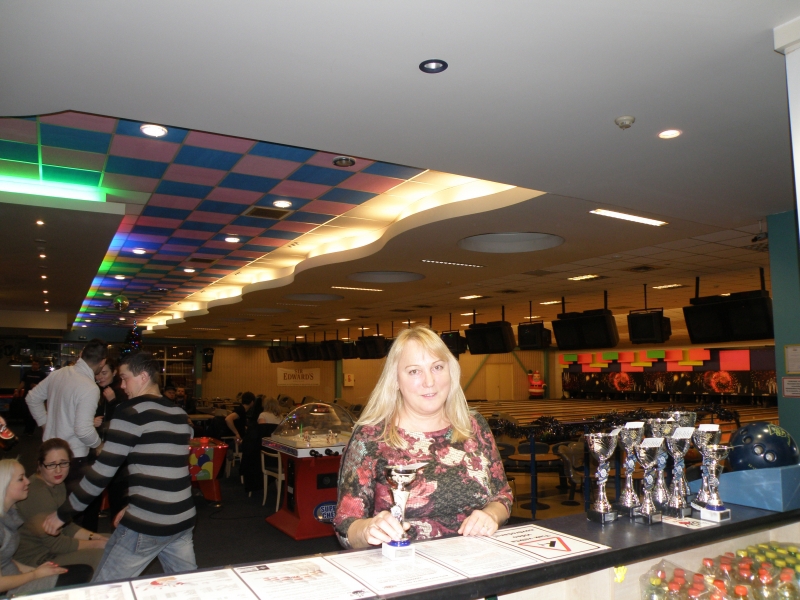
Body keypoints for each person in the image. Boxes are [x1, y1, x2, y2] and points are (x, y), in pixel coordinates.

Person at [332, 326, 512, 549]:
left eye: (437, 367)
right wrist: (368, 529)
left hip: (474, 557)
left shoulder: (473, 426)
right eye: (414, 371)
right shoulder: (371, 436)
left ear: (451, 371)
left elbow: (502, 495)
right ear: (395, 380)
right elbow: (345, 525)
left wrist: (491, 515)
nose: (429, 381)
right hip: (404, 563)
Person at [42, 351, 197, 582]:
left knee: (105, 590)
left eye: (124, 378)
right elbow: (166, 469)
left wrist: (62, 514)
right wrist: (134, 504)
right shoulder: (179, 414)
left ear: (143, 376)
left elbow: (102, 473)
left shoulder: (130, 411)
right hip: (182, 518)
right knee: (187, 587)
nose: (122, 386)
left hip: (147, 523)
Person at [0, 458, 93, 596]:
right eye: (20, 479)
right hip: (10, 590)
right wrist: (35, 575)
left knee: (83, 572)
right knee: (82, 575)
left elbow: (5, 559)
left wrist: (34, 571)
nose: (27, 481)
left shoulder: (10, 514)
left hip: (16, 579)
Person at [15, 439, 107, 571]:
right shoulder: (37, 493)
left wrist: (96, 537)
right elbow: (56, 544)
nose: (58, 470)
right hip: (37, 558)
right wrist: (96, 544)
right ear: (40, 465)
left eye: (63, 463)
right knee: (104, 555)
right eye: (51, 465)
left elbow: (66, 525)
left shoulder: (57, 484)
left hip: (51, 549)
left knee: (110, 540)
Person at [26, 339, 108, 474]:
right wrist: (99, 445)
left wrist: (45, 424)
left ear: (81, 355)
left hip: (49, 450)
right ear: (103, 362)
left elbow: (32, 398)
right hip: (72, 455)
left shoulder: (59, 373)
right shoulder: (90, 387)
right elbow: (83, 430)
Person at [16, 359, 48, 435]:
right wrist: (17, 390)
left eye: (36, 364)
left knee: (32, 414)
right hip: (27, 395)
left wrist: (36, 386)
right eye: (33, 364)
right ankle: (26, 428)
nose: (34, 366)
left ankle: (30, 430)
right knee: (25, 412)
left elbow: (45, 386)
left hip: (36, 397)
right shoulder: (27, 373)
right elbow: (23, 382)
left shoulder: (42, 374)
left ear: (39, 365)